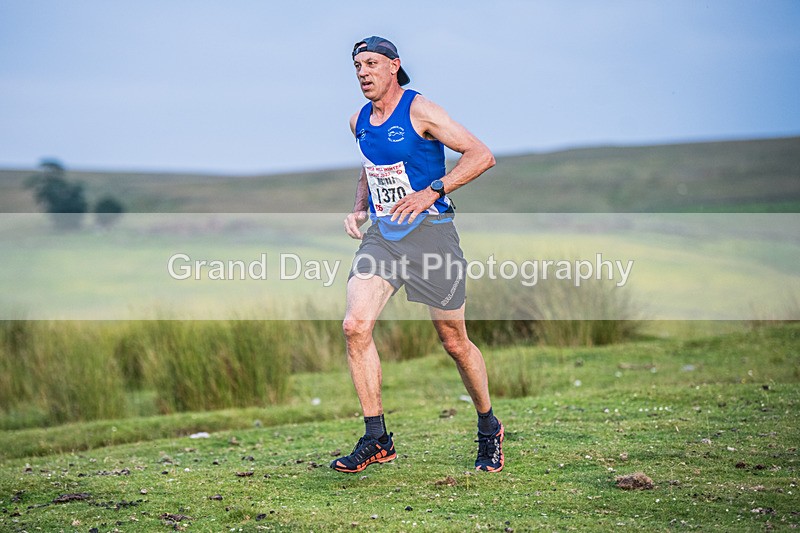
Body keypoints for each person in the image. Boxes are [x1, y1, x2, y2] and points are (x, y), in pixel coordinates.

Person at [330, 36, 503, 474]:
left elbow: (481, 155)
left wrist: (433, 191)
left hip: (433, 236)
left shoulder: (421, 110)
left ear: (394, 66)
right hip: (385, 239)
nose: (363, 72)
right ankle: (377, 438)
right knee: (355, 326)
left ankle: (488, 427)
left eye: (371, 63)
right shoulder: (358, 121)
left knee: (454, 342)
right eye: (356, 66)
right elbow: (371, 166)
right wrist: (359, 207)